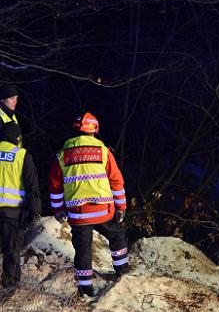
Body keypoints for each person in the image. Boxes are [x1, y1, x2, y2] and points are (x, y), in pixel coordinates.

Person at [48, 112, 129, 296]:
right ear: (94, 131)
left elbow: (54, 186)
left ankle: (85, 289)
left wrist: (58, 210)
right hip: (103, 211)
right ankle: (123, 272)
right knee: (116, 236)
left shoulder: (62, 154)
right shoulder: (103, 151)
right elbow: (116, 181)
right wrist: (121, 207)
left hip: (78, 214)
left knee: (83, 249)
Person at [0, 123, 40, 288]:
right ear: (17, 138)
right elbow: (32, 186)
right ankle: (10, 286)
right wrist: (34, 211)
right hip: (12, 213)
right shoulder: (21, 155)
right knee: (11, 250)